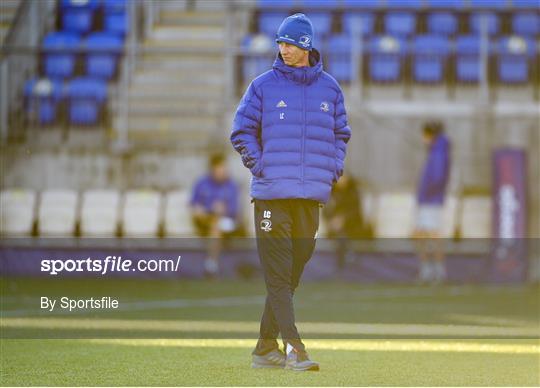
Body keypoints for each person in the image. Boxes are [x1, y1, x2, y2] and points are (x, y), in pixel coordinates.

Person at [230, 13, 351, 371]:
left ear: (306, 46)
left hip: (311, 195)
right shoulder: (262, 86)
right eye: (280, 43)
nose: (283, 49)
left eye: (290, 44)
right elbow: (241, 131)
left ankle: (264, 349)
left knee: (292, 273)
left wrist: (333, 167)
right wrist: (259, 164)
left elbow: (340, 134)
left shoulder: (330, 88)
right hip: (271, 195)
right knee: (279, 276)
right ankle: (294, 348)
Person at [413, 121, 451, 284]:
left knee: (433, 235)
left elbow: (437, 177)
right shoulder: (435, 151)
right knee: (421, 234)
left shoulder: (439, 152)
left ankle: (437, 270)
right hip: (426, 199)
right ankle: (427, 268)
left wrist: (427, 192)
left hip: (431, 200)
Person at [190, 153, 240, 278]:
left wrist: (223, 209)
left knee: (216, 224)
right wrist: (208, 209)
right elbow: (194, 205)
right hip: (205, 220)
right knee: (213, 223)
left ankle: (211, 266)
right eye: (220, 168)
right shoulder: (201, 183)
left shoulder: (232, 185)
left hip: (229, 222)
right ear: (213, 169)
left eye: (224, 168)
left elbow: (235, 210)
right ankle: (211, 265)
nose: (223, 171)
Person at [323, 172, 363, 271]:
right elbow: (326, 211)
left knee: (342, 236)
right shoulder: (332, 193)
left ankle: (346, 260)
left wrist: (343, 219)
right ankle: (345, 259)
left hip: (352, 226)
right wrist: (332, 221)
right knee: (339, 235)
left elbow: (356, 212)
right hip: (335, 228)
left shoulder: (353, 193)